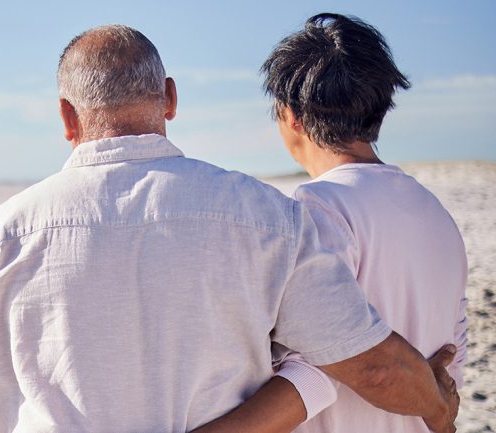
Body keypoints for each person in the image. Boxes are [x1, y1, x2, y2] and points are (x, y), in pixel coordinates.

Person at [0, 25, 459, 433]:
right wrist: (437, 404)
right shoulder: (266, 215)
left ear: (66, 117)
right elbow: (372, 365)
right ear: (170, 98)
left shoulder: (7, 232)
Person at [192, 13, 468, 433]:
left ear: (292, 116)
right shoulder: (435, 213)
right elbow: (452, 362)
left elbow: (310, 375)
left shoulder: (316, 208)